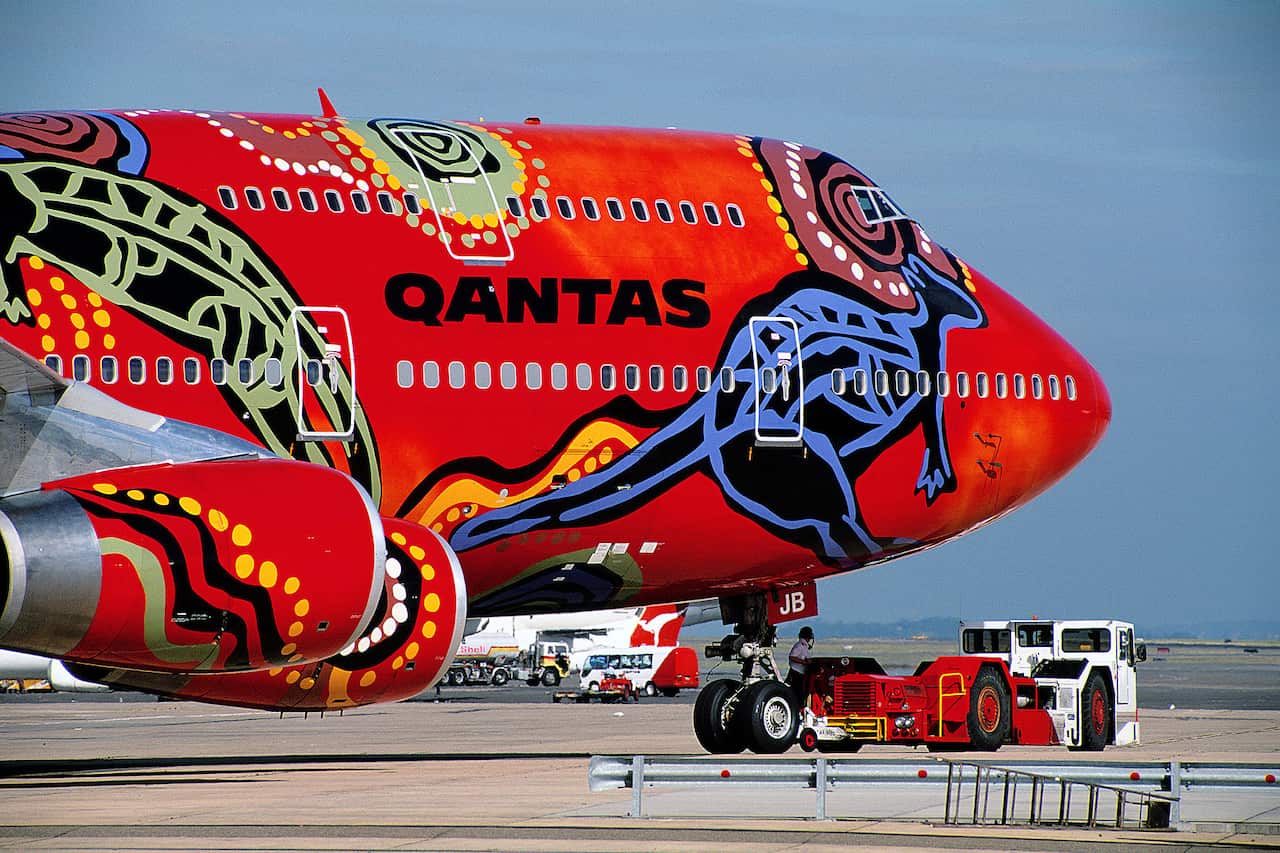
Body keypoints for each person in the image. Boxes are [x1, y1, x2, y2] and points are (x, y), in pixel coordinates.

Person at [786, 626, 814, 698]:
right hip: (796, 672)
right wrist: (804, 663)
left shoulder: (804, 646)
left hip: (800, 673)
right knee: (796, 693)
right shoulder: (800, 645)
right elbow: (792, 657)